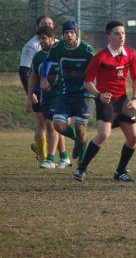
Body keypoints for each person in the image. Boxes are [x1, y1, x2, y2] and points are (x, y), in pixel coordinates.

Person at [74, 21, 136, 182]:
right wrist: (99, 95)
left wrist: (135, 99)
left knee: (133, 139)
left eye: (123, 33)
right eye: (117, 33)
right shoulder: (101, 57)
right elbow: (87, 81)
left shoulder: (130, 54)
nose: (121, 37)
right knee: (104, 135)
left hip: (123, 100)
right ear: (109, 36)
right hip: (106, 100)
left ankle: (120, 172)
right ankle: (81, 168)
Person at [41, 20, 95, 168]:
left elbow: (97, 69)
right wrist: (44, 78)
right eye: (66, 32)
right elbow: (47, 62)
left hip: (84, 94)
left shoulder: (87, 50)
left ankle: (81, 165)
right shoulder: (57, 48)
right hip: (65, 93)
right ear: (63, 34)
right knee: (57, 125)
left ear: (76, 33)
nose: (69, 35)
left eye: (72, 32)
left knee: (80, 128)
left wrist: (97, 90)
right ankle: (78, 141)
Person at [27, 26, 71, 169]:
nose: (42, 41)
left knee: (51, 126)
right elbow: (33, 77)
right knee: (50, 126)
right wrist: (30, 96)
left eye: (44, 38)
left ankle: (50, 159)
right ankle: (64, 156)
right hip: (45, 97)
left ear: (52, 39)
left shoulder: (61, 54)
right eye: (40, 38)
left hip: (60, 97)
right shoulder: (38, 57)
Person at [19, 15, 54, 161]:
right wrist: (30, 92)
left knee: (55, 123)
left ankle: (57, 155)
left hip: (56, 91)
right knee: (42, 123)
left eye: (49, 23)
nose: (47, 25)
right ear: (37, 26)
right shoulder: (32, 46)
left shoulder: (58, 43)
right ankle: (44, 156)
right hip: (39, 91)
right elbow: (24, 70)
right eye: (43, 23)